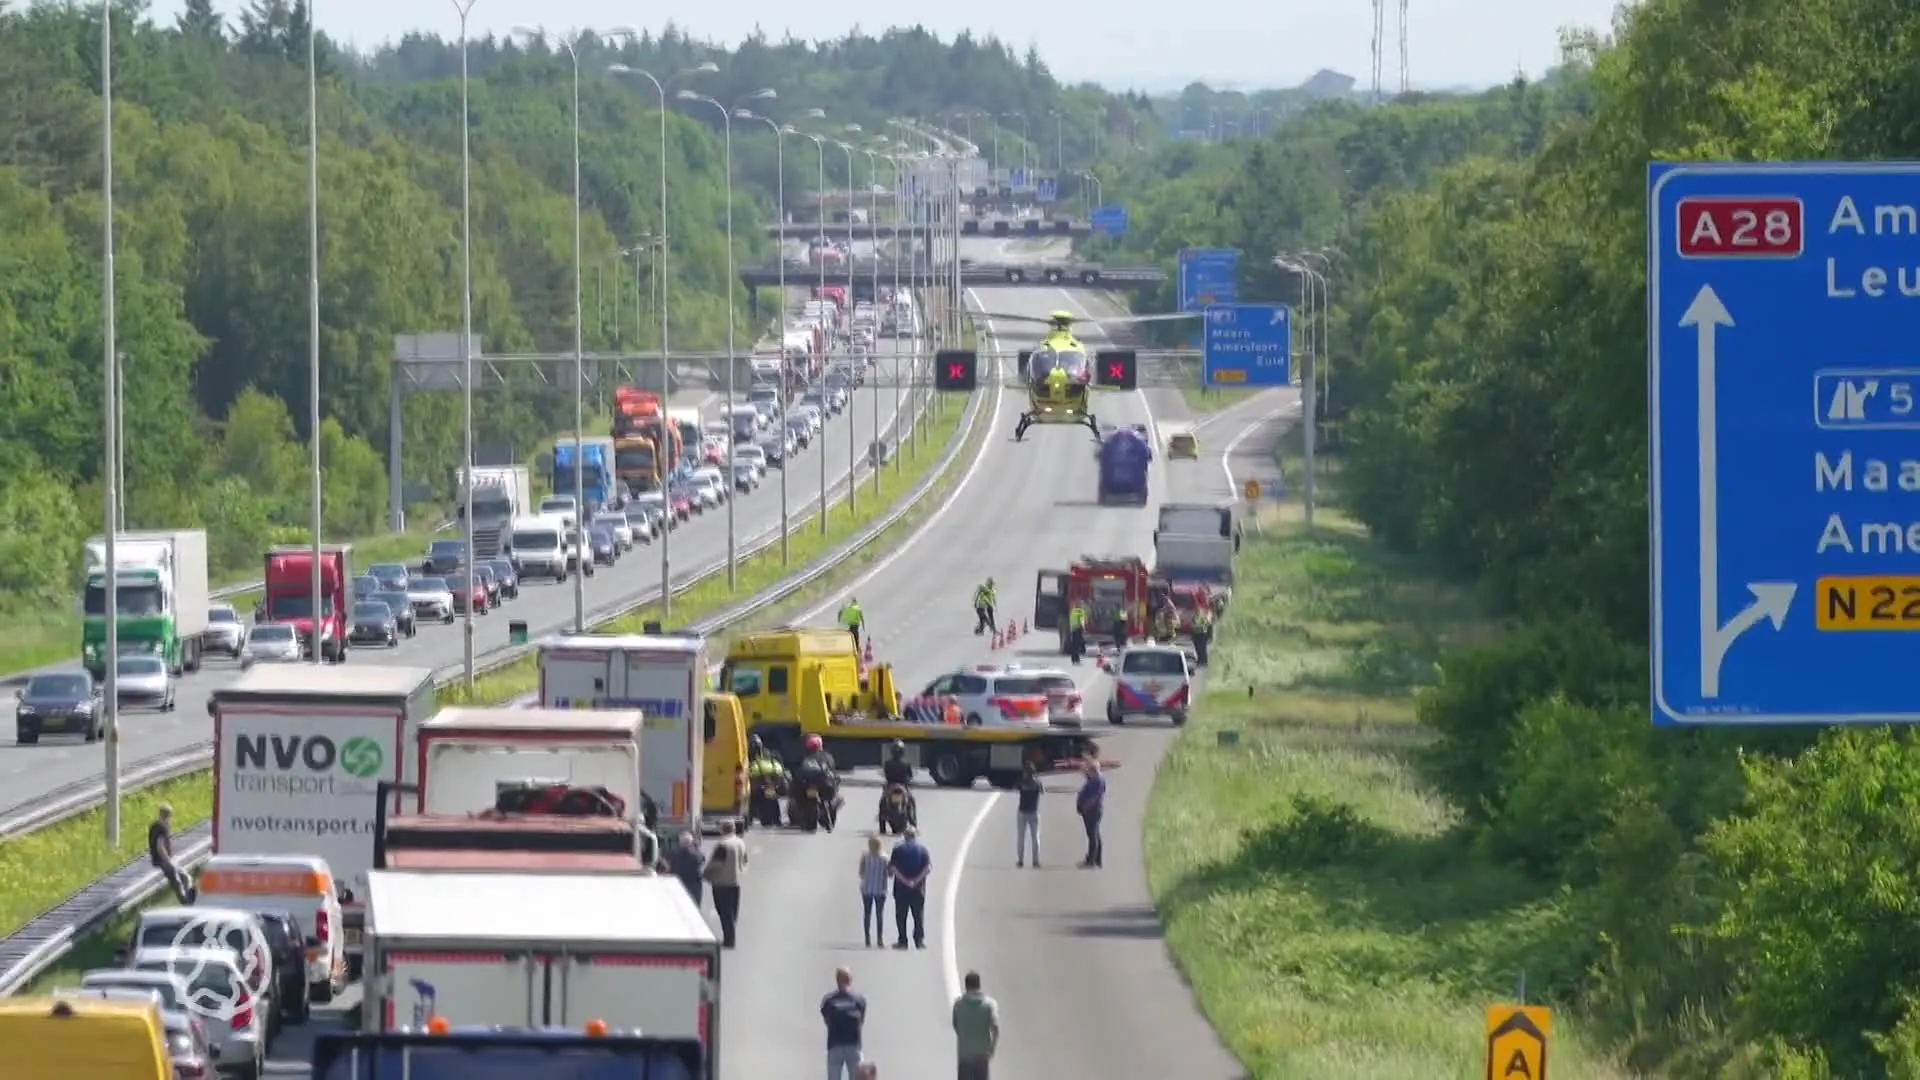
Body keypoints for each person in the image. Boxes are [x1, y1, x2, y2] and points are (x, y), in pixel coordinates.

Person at [703, 820, 749, 947]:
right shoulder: (740, 842)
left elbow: (717, 863)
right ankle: (730, 937)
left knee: (724, 912)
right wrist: (741, 871)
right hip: (736, 882)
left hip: (721, 882)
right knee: (732, 913)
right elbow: (745, 861)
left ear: (722, 829)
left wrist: (706, 873)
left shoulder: (723, 845)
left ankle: (729, 940)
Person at [950, 971, 1001, 1080]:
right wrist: (991, 1049)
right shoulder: (989, 1005)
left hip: (964, 1056)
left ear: (966, 986)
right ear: (979, 984)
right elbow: (995, 1029)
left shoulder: (958, 1005)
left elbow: (956, 1025)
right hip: (982, 1056)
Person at [821, 966, 868, 1080]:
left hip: (835, 1044)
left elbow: (827, 1020)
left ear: (837, 980)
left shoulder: (829, 1000)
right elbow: (861, 1020)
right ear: (850, 980)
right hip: (853, 1044)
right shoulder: (859, 999)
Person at [888, 826, 931, 949]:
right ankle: (919, 941)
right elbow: (927, 868)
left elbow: (893, 868)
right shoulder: (923, 850)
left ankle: (902, 940)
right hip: (918, 889)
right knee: (918, 915)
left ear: (905, 836)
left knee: (901, 916)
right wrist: (916, 881)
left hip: (901, 888)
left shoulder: (898, 850)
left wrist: (905, 881)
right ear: (915, 836)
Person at [148, 804, 195, 904]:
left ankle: (189, 897)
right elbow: (160, 846)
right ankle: (186, 901)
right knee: (178, 881)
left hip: (161, 859)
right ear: (168, 816)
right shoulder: (162, 827)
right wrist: (168, 861)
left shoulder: (154, 826)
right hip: (163, 861)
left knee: (185, 877)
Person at [857, 836, 889, 947]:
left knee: (867, 913)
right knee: (879, 914)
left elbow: (861, 873)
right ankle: (880, 939)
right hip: (880, 889)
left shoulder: (865, 856)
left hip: (867, 889)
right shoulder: (885, 858)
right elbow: (888, 874)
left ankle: (867, 938)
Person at [1076, 760, 1107, 869]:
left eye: (1088, 770)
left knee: (1093, 835)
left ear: (1093, 770)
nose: (1087, 772)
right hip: (1090, 811)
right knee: (1094, 834)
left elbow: (1095, 797)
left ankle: (1092, 861)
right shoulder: (1094, 779)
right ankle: (1095, 859)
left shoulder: (1098, 781)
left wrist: (1085, 807)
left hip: (1093, 811)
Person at [1015, 763, 1042, 868]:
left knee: (1021, 837)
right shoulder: (1037, 783)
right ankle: (1036, 861)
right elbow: (1042, 791)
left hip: (1022, 812)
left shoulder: (1022, 782)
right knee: (1035, 837)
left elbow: (1016, 788)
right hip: (1033, 811)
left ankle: (1020, 860)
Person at [668, 832, 705, 909]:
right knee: (695, 906)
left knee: (680, 907)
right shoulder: (697, 854)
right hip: (694, 883)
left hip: (678, 883)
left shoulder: (673, 854)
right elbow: (702, 860)